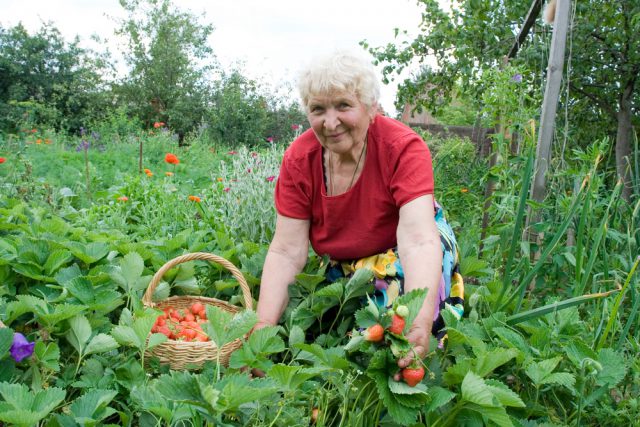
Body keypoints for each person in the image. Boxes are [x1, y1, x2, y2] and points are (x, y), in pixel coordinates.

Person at [254, 50, 463, 369]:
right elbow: (286, 251)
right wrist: (262, 329)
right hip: (347, 261)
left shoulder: (402, 148)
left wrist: (418, 322)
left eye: (343, 105)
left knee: (395, 329)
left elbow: (418, 241)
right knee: (315, 323)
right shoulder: (300, 160)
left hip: (407, 246)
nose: (330, 122)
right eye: (318, 109)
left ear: (371, 107)